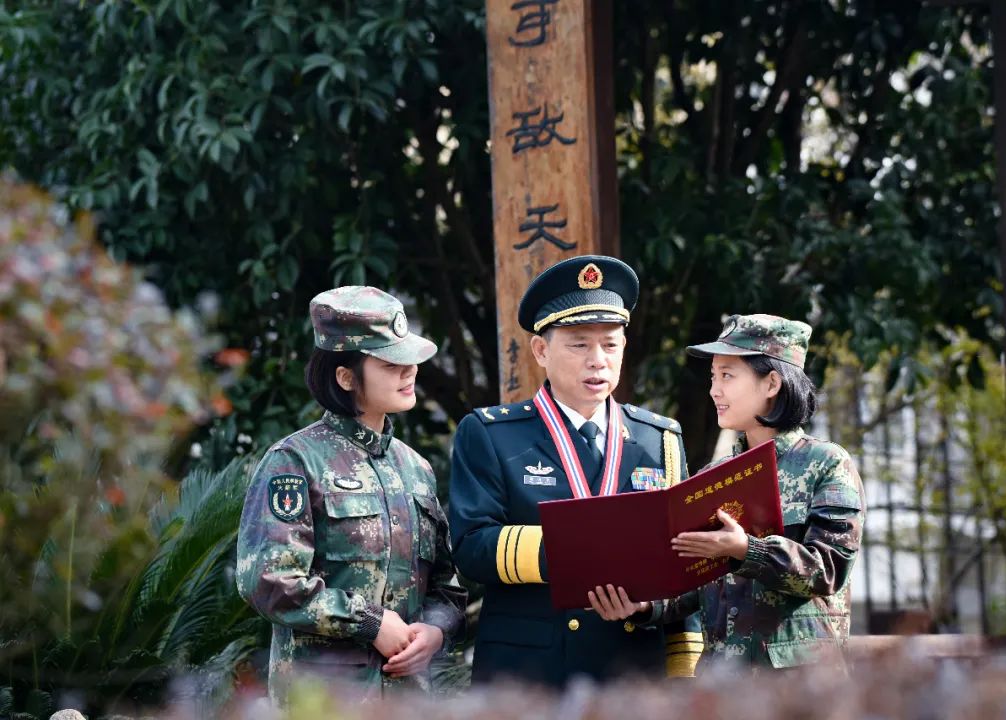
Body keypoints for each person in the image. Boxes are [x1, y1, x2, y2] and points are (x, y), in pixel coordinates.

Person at [449, 255, 704, 687]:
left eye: (610, 344)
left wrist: (678, 660)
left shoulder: (658, 438)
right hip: (530, 676)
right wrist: (577, 551)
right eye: (579, 344)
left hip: (633, 670)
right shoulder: (491, 433)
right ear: (541, 350)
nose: (598, 360)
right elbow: (471, 545)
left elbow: (684, 561)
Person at [588, 314, 865, 671]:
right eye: (714, 376)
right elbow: (692, 582)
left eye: (728, 376)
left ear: (772, 384)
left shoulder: (826, 463)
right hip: (723, 683)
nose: (714, 390)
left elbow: (827, 570)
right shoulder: (713, 477)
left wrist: (746, 550)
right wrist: (644, 606)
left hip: (800, 687)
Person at [236, 287, 466, 703]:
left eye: (409, 360)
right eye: (390, 363)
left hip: (407, 701)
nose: (409, 371)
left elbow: (446, 586)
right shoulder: (294, 461)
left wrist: (435, 631)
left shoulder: (416, 469)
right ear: (346, 377)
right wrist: (370, 623)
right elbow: (268, 581)